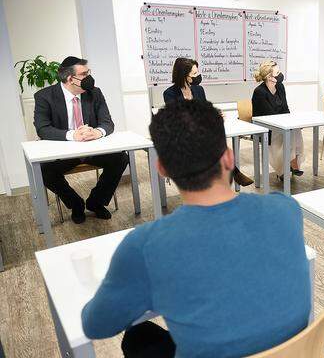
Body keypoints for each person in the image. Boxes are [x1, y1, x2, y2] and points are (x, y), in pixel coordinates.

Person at [81, 99, 311, 358]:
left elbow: (95, 325)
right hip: (297, 351)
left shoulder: (145, 246)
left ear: (162, 168)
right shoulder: (285, 208)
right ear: (229, 157)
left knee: (138, 336)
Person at [33, 56, 128, 224]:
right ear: (70, 79)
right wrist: (72, 135)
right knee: (44, 170)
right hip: (65, 153)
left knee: (121, 158)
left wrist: (97, 132)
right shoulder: (44, 96)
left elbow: (107, 122)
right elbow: (43, 128)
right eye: (84, 74)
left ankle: (95, 202)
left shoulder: (95, 92)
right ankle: (75, 203)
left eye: (88, 72)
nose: (89, 78)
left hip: (93, 149)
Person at [163, 57, 253, 187]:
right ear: (183, 75)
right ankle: (233, 172)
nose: (197, 76)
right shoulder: (170, 93)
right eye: (194, 74)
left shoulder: (198, 90)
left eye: (197, 72)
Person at [251, 60, 305, 179]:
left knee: (295, 129)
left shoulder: (280, 86)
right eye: (278, 72)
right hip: (268, 129)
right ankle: (287, 166)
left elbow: (285, 108)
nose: (280, 75)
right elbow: (270, 115)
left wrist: (293, 122)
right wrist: (287, 123)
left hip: (281, 125)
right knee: (291, 131)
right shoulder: (259, 92)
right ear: (269, 76)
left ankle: (292, 163)